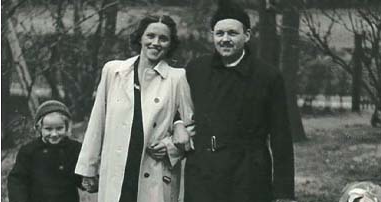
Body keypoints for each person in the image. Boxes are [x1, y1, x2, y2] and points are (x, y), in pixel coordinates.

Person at [175, 1, 295, 202]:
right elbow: (176, 106)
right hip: (204, 175)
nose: (225, 39)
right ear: (212, 35)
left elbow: (281, 138)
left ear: (246, 35)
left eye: (232, 33)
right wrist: (178, 124)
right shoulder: (196, 69)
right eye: (219, 33)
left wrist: (284, 194)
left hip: (248, 177)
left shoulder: (267, 76)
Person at [75, 15, 194, 202]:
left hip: (155, 174)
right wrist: (87, 168)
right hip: (117, 171)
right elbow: (97, 121)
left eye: (163, 39)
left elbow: (191, 126)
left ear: (171, 44)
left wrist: (170, 147)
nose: (156, 43)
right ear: (140, 38)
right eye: (151, 36)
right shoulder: (114, 71)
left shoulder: (177, 78)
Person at [7, 100, 83, 202]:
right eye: (48, 129)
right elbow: (17, 180)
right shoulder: (29, 151)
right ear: (40, 128)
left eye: (59, 128)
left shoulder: (74, 148)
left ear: (67, 127)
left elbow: (81, 175)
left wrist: (88, 181)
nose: (54, 134)